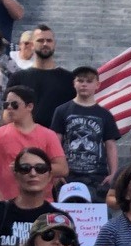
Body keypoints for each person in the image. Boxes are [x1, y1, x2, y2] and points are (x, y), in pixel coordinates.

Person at [0, 84, 66, 201]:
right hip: (5, 203)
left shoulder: (48, 135)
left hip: (41, 203)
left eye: (14, 104)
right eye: (6, 105)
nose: (9, 108)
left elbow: (63, 168)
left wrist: (31, 167)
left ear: (29, 106)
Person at [48, 65, 121, 200]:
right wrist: (56, 172)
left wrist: (114, 173)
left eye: (89, 81)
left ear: (97, 85)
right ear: (74, 84)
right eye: (80, 81)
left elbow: (110, 145)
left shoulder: (105, 114)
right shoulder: (62, 110)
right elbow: (55, 142)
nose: (84, 84)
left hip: (97, 177)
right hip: (67, 175)